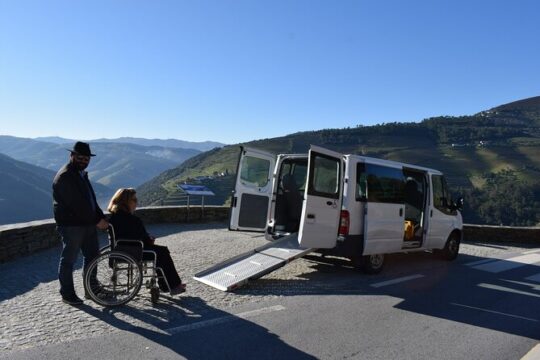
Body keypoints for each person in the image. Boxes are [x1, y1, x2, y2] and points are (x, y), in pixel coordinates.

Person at [53, 141, 109, 305]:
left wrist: (100, 216)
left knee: (92, 257)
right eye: (80, 157)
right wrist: (97, 220)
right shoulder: (65, 176)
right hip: (71, 226)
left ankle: (91, 290)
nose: (83, 161)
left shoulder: (81, 174)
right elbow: (78, 205)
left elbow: (91, 200)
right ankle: (67, 294)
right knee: (68, 260)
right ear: (72, 156)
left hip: (86, 224)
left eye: (86, 158)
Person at [107, 188, 186, 295]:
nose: (136, 202)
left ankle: (170, 285)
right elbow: (143, 239)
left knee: (160, 251)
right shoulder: (134, 220)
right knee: (162, 252)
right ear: (126, 202)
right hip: (135, 252)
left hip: (119, 251)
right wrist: (150, 239)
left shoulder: (113, 218)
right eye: (134, 200)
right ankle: (172, 285)